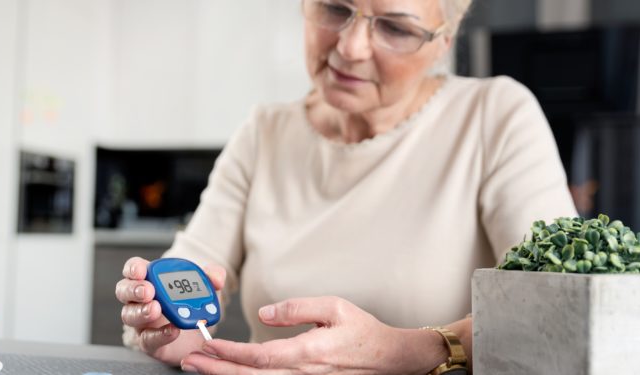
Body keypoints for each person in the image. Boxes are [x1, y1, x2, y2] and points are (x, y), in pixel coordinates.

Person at [115, 0, 577, 373]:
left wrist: (403, 350)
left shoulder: (496, 116)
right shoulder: (264, 133)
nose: (351, 46)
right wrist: (162, 324)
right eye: (336, 9)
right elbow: (191, 267)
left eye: (395, 28)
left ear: (443, 43)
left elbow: (559, 311)